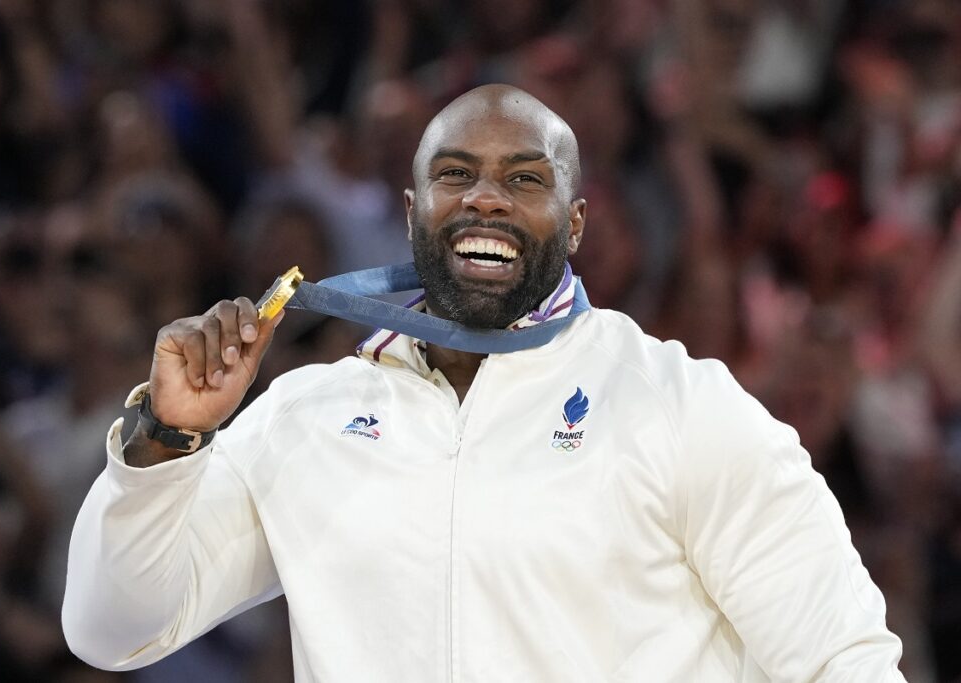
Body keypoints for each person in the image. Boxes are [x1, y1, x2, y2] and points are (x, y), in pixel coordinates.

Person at [62, 84, 906, 681]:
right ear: (412, 210)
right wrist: (168, 442)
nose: (486, 200)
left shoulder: (678, 404)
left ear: (574, 222)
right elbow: (111, 629)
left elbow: (843, 659)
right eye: (455, 174)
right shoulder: (309, 419)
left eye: (526, 179)